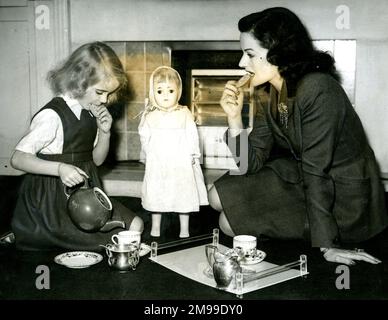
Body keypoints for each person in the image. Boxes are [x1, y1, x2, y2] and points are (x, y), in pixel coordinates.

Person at [208, 7, 388, 265]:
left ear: (279, 52)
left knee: (228, 224)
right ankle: (280, 221)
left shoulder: (319, 90)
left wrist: (328, 246)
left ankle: (302, 228)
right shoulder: (269, 91)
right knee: (215, 195)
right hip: (302, 177)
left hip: (344, 196)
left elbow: (318, 172)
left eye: (249, 55)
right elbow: (249, 165)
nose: (241, 63)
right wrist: (234, 118)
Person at [10, 42, 143, 251]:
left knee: (136, 226)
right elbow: (17, 159)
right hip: (53, 201)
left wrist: (105, 132)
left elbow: (96, 161)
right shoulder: (52, 116)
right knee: (118, 241)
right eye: (100, 92)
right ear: (79, 81)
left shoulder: (89, 110)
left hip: (86, 193)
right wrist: (60, 168)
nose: (105, 100)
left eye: (109, 94)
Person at [138, 66, 208, 238]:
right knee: (157, 194)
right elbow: (144, 135)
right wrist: (147, 153)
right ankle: (155, 227)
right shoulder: (150, 115)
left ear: (179, 92)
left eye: (170, 90)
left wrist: (193, 154)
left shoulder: (184, 113)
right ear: (153, 93)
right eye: (160, 91)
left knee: (182, 194)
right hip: (158, 162)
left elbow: (192, 135)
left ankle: (184, 228)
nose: (166, 95)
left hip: (180, 162)